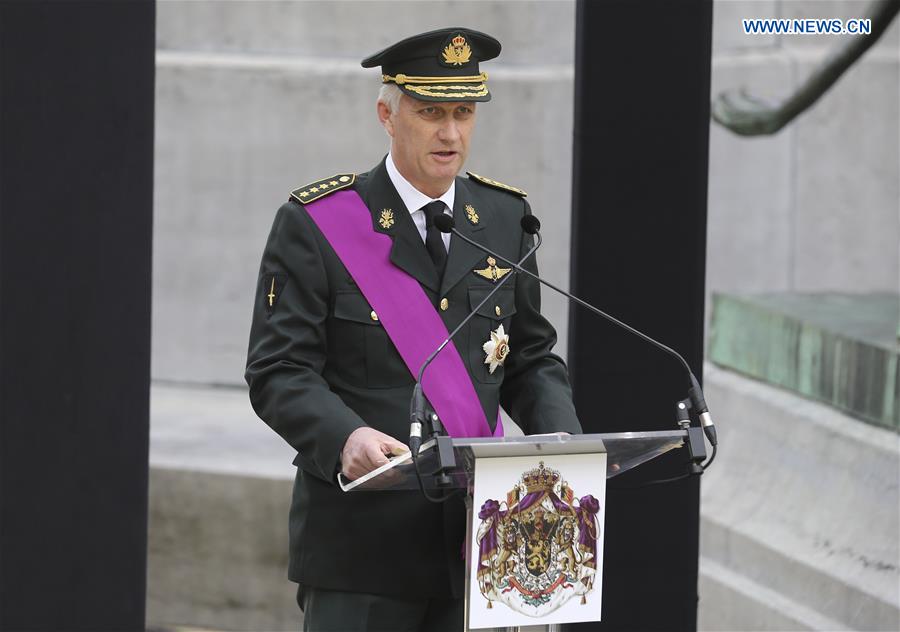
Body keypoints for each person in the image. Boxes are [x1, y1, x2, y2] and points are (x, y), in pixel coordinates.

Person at [245, 26, 581, 632]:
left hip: (482, 543)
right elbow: (278, 371)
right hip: (363, 553)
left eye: (463, 112)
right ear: (387, 114)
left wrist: (563, 445)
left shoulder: (504, 219)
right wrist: (344, 438)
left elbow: (530, 359)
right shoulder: (317, 225)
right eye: (430, 112)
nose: (450, 133)